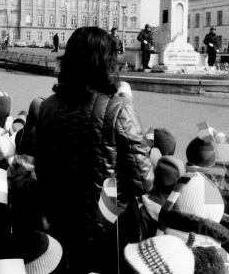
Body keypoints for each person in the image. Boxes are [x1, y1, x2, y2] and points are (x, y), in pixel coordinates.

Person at [35, 26, 154, 274]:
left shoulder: (47, 106)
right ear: (106, 62)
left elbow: (43, 170)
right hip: (110, 227)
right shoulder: (118, 107)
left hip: (64, 222)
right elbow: (144, 181)